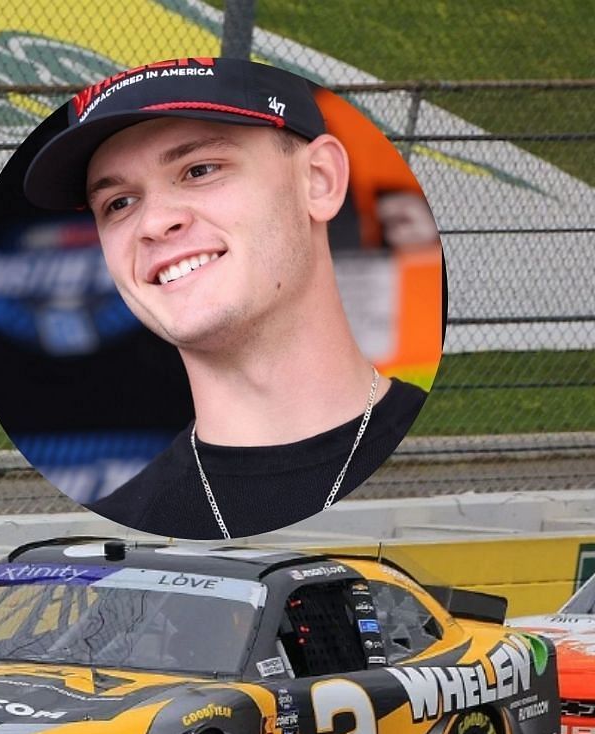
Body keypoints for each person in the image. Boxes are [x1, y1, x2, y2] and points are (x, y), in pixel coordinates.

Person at [22, 58, 428, 539]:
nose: (153, 224)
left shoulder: (444, 471)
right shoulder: (124, 534)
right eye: (119, 203)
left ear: (318, 180)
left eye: (200, 170)